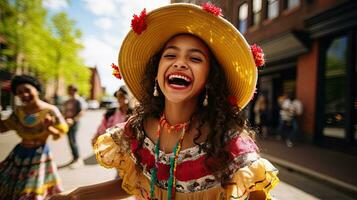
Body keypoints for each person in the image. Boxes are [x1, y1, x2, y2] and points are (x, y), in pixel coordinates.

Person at [50, 3, 279, 200]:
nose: (180, 63)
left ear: (210, 78)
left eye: (195, 58)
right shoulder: (138, 130)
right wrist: (75, 195)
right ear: (156, 72)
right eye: (170, 55)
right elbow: (133, 182)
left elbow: (256, 194)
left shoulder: (226, 138)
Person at [0, 75, 68, 199]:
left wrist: (49, 128)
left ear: (36, 89)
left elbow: (59, 135)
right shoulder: (18, 112)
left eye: (27, 90)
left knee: (30, 193)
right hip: (19, 155)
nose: (24, 95)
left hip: (39, 156)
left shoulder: (51, 111)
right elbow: (3, 128)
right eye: (19, 93)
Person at [62, 84, 85, 168]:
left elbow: (82, 112)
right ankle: (74, 157)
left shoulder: (78, 100)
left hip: (74, 123)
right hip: (67, 123)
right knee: (69, 140)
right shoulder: (68, 100)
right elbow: (64, 111)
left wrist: (73, 120)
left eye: (70, 90)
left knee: (73, 140)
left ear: (74, 90)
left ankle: (78, 159)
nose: (68, 91)